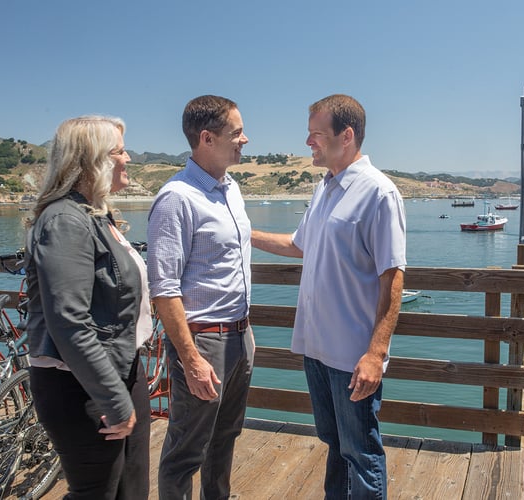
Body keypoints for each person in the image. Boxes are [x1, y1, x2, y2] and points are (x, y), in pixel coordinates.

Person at [252, 94, 406, 498]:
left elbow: (393, 277)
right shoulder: (325, 189)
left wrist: (375, 354)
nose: (308, 142)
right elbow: (298, 244)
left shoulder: (378, 193)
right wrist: (243, 232)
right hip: (317, 351)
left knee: (361, 452)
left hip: (352, 357)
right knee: (335, 444)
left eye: (316, 134)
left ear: (347, 136)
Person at [25, 115, 151, 499]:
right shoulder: (65, 220)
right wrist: (113, 398)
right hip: (80, 386)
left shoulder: (97, 215)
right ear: (92, 160)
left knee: (131, 489)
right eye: (119, 151)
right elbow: (69, 322)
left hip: (119, 369)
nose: (128, 158)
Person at [147, 95, 253, 500]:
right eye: (236, 132)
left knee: (225, 438)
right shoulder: (176, 198)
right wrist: (191, 360)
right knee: (186, 450)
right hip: (203, 341)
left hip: (239, 335)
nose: (245, 139)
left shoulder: (231, 189)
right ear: (207, 138)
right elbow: (164, 289)